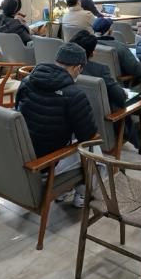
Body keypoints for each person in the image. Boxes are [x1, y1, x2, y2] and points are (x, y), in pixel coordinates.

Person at [15, 43, 97, 206]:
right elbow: (87, 136)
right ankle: (81, 196)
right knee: (96, 152)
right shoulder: (74, 94)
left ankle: (63, 191)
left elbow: (18, 109)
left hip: (23, 151)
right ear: (78, 68)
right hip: (49, 162)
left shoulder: (27, 80)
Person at [71, 30, 141, 153]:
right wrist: (123, 93)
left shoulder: (66, 69)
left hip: (79, 125)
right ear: (92, 53)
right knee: (138, 100)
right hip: (106, 121)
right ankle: (138, 139)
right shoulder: (100, 70)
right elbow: (120, 97)